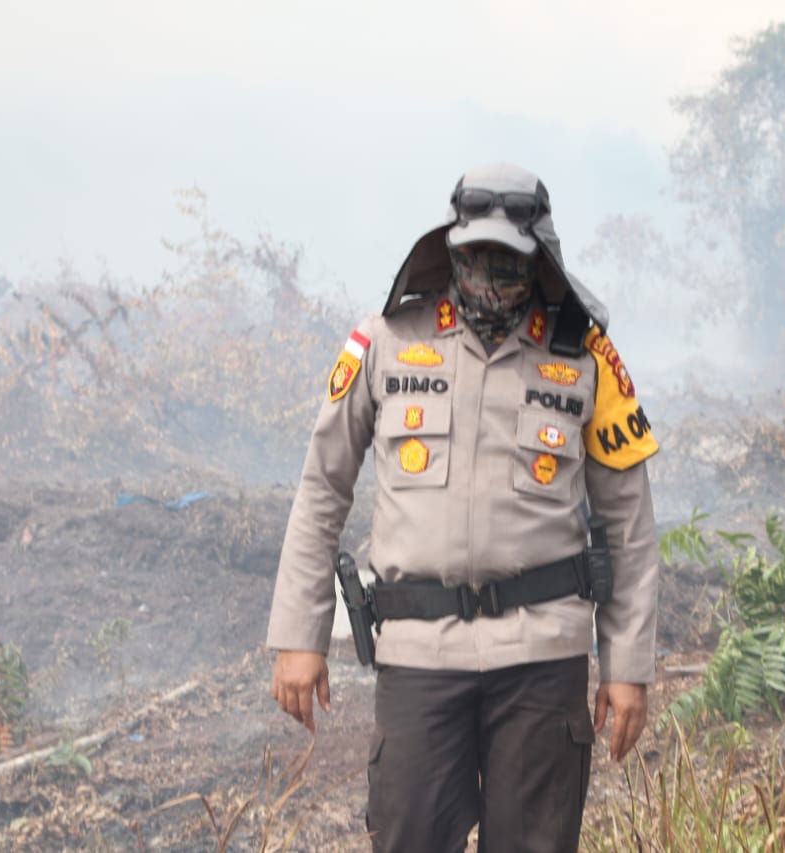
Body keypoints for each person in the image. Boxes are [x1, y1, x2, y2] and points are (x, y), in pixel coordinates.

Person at [267, 162, 659, 853]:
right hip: (420, 655)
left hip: (543, 658)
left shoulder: (587, 357)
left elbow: (628, 522)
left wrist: (626, 666)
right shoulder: (386, 339)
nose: (488, 276)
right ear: (450, 250)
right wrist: (300, 633)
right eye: (474, 257)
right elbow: (323, 485)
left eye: (507, 262)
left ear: (538, 262)